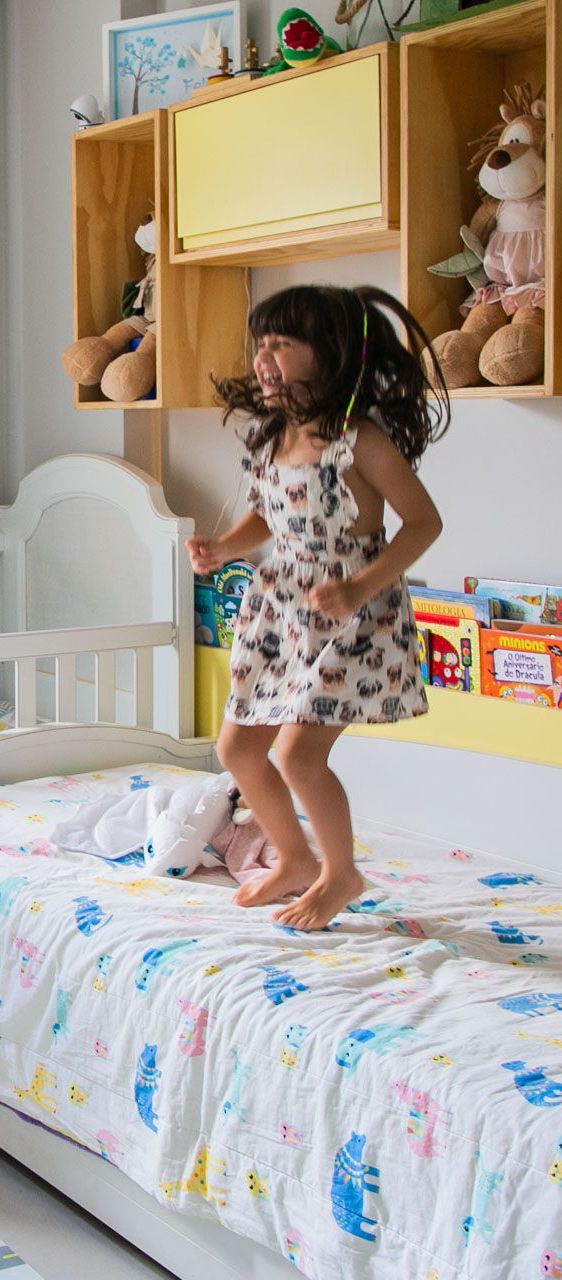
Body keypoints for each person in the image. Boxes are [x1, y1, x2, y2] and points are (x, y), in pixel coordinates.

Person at [191, 284, 447, 931]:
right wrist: (223, 548)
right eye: (261, 345)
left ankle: (341, 874)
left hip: (352, 616)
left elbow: (422, 523)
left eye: (282, 344)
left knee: (298, 755)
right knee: (239, 750)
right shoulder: (272, 435)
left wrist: (360, 587)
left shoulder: (359, 441)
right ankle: (296, 859)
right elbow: (264, 518)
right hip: (283, 610)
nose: (264, 358)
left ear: (327, 354)